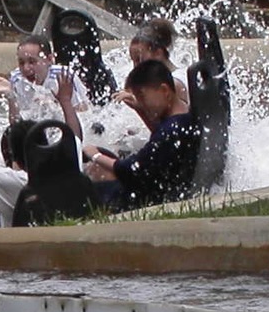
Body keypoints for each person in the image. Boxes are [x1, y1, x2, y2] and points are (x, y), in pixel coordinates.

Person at [84, 59, 199, 209]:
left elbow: (133, 169)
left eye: (142, 96)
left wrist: (95, 156)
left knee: (87, 186)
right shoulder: (185, 116)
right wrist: (140, 109)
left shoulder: (171, 130)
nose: (141, 102)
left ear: (164, 91)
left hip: (145, 198)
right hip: (162, 187)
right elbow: (162, 144)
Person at [0, 36, 86, 138]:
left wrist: (53, 104)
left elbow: (83, 115)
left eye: (32, 62)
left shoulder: (64, 77)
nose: (26, 68)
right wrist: (10, 95)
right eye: (21, 63)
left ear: (49, 59)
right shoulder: (16, 79)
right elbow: (17, 126)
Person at [126, 18, 189, 117]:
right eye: (133, 61)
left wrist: (139, 108)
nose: (135, 67)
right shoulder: (176, 76)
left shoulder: (174, 85)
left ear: (158, 54)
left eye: (139, 59)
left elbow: (170, 130)